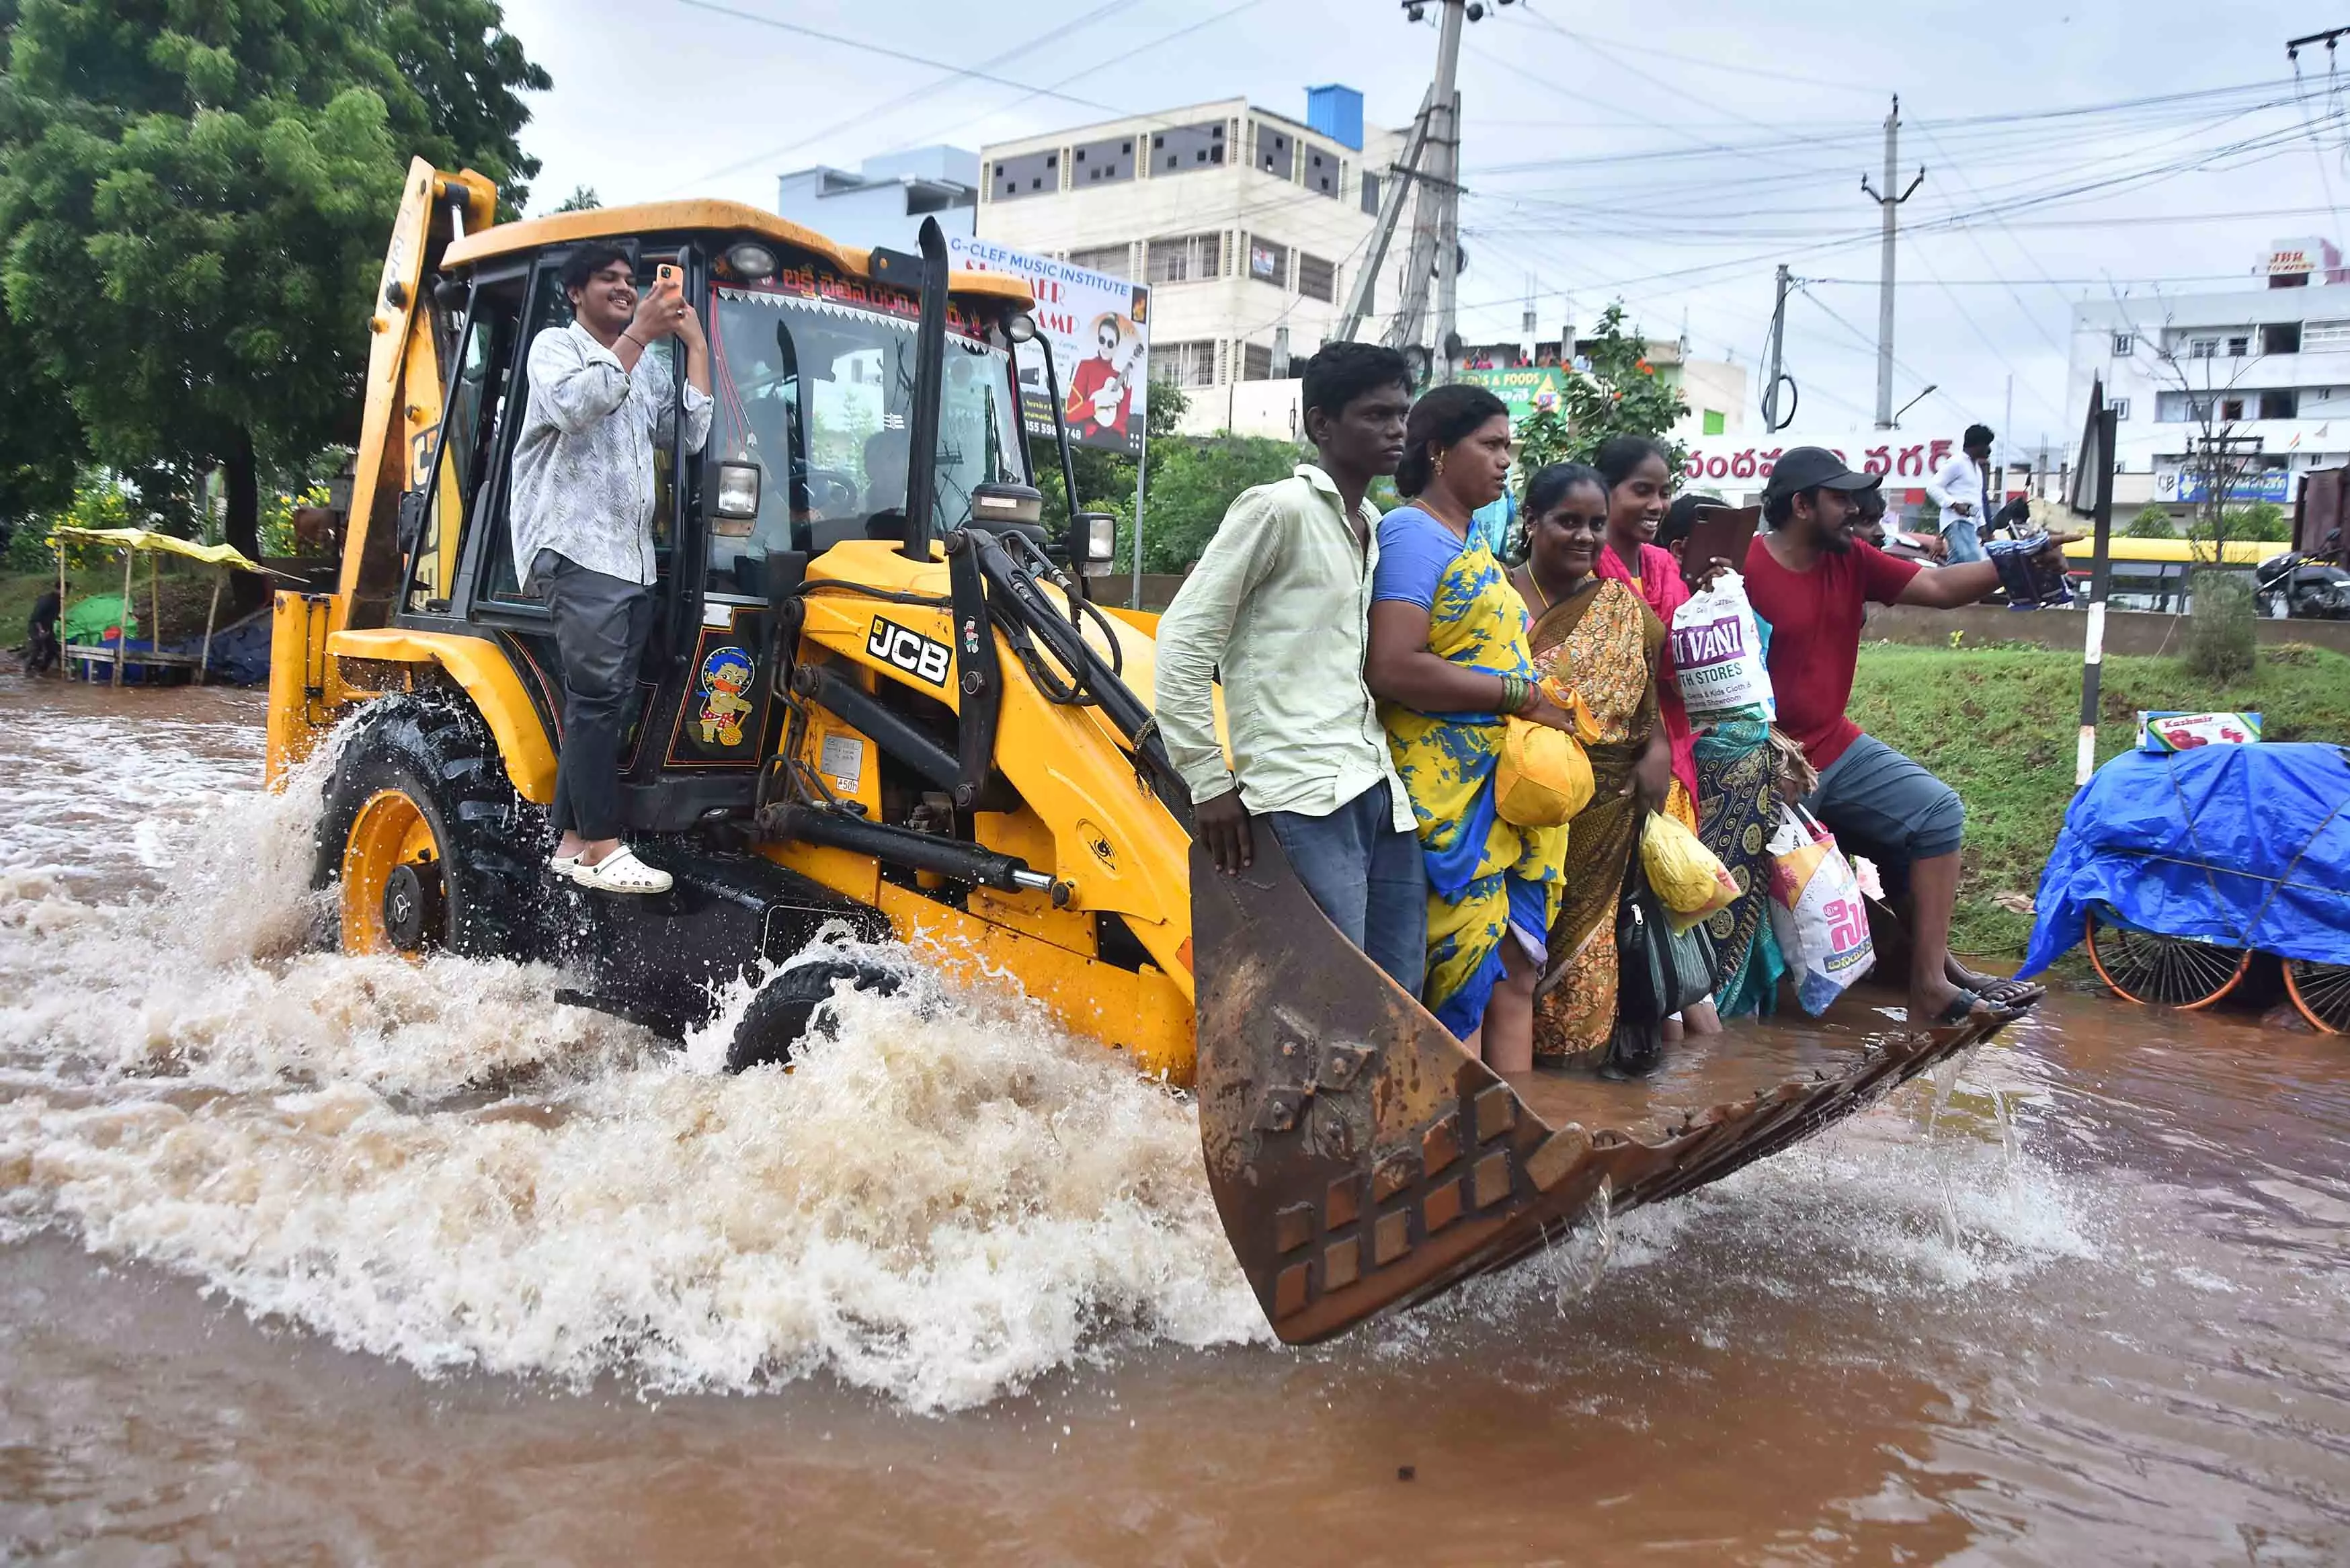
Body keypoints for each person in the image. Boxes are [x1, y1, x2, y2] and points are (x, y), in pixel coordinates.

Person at [1744, 447, 2065, 1028]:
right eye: (1840, 499)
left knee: (1936, 811)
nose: (1854, 511)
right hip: (1762, 763)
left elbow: (1940, 588)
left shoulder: (1854, 561)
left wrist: (2017, 561)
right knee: (1740, 907)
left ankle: (1931, 983)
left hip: (1834, 746)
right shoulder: (1743, 567)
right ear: (1801, 505)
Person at [1153, 342, 1427, 993]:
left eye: (1402, 413)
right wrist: (1207, 782)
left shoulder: (1372, 522)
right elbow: (1183, 640)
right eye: (1375, 414)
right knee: (1323, 997)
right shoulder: (1277, 508)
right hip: (1299, 791)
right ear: (1320, 425)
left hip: (1375, 788)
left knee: (1395, 996)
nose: (1396, 429)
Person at [1366, 385, 1576, 1069]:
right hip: (1443, 796)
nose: (1504, 461)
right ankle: (1451, 1150)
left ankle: (1512, 1143)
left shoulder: (1473, 545)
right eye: (1490, 445)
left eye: (1508, 447)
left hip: (1501, 794)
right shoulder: (1411, 534)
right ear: (1437, 450)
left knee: (1513, 971)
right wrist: (1519, 695)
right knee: (1451, 980)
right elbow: (1393, 664)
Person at [510, 242, 713, 895]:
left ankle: (570, 843)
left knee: (604, 701)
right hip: (573, 545)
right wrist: (638, 334)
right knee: (597, 698)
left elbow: (688, 435)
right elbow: (577, 406)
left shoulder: (649, 365)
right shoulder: (554, 349)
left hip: (631, 557)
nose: (626, 289)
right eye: (610, 280)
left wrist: (697, 349)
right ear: (576, 292)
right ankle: (601, 842)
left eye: (631, 281)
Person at [1509, 462, 1678, 1069]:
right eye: (1568, 522)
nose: (1585, 537)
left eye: (1596, 525)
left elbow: (1645, 694)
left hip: (1606, 812)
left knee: (1586, 962)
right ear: (1531, 521)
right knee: (1507, 962)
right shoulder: (1496, 600)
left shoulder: (1619, 608)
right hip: (1512, 809)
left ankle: (1572, 1100)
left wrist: (1657, 748)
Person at [1924, 424, 1996, 565]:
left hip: (1970, 524)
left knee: (1960, 564)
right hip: (1957, 521)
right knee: (1971, 563)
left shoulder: (1976, 469)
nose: (1988, 449)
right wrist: (1954, 504)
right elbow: (1933, 487)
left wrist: (1983, 527)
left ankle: (1942, 585)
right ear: (1977, 445)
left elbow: (1977, 502)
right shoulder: (1957, 463)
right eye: (1986, 445)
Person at [1063, 314, 1139, 442]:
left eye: (1110, 344)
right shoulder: (1086, 366)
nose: (1105, 347)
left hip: (1112, 442)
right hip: (1088, 439)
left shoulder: (1117, 377)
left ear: (1116, 347)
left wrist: (1128, 387)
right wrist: (1097, 404)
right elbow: (1071, 414)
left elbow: (1121, 424)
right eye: (1102, 340)